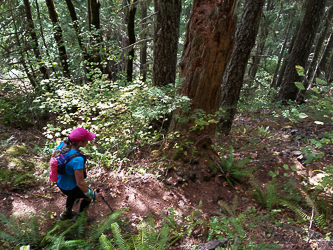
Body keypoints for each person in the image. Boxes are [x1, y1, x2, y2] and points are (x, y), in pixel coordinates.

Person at [52, 127, 102, 220]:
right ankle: (81, 218)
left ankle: (66, 213)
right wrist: (93, 195)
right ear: (80, 143)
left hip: (60, 182)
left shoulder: (62, 145)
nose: (88, 141)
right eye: (86, 140)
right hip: (71, 187)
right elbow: (80, 183)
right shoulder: (77, 159)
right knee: (87, 197)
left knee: (72, 195)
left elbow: (52, 158)